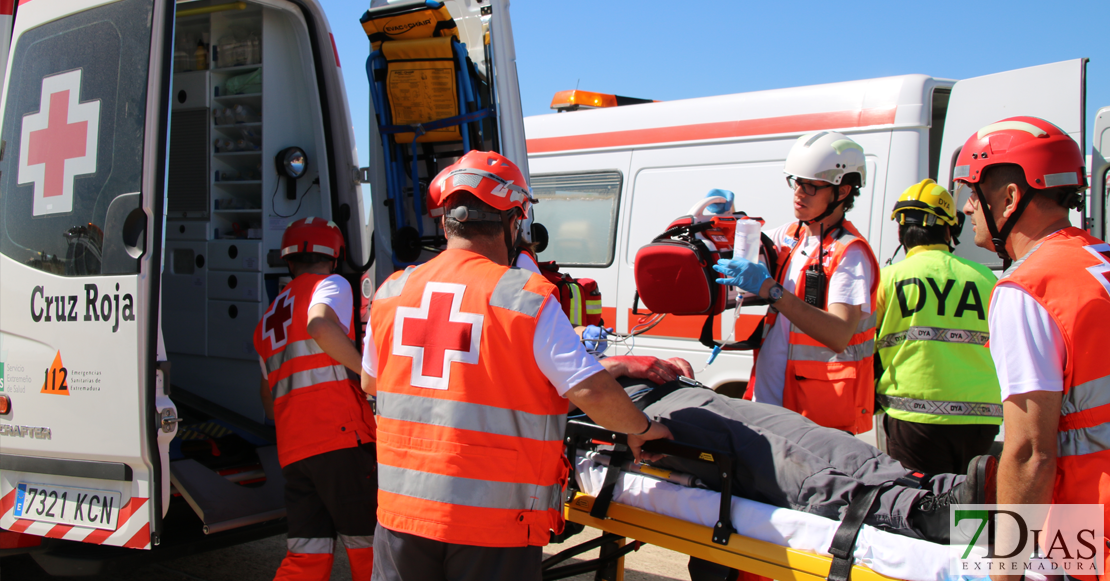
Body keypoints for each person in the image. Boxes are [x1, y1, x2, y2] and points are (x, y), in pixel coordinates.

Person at [360, 150, 672, 581]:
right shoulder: (524, 296)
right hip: (492, 524)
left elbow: (371, 382)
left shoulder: (392, 291)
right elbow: (590, 391)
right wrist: (643, 430)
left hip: (401, 516)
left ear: (446, 219)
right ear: (514, 221)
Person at [953, 116, 1108, 579]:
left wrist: (1005, 570)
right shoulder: (1098, 259)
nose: (965, 208)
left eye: (971, 191)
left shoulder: (1029, 288)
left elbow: (1029, 453)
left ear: (1010, 197)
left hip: (1090, 527)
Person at [579, 375, 996, 545]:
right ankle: (915, 514)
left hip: (673, 390)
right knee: (775, 458)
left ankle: (939, 491)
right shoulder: (526, 310)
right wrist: (637, 422)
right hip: (630, 414)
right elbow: (580, 388)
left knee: (817, 437)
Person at [713, 131, 880, 434]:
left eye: (811, 186)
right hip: (773, 406)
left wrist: (772, 291)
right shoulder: (792, 235)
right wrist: (721, 224)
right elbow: (748, 246)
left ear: (842, 192)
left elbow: (840, 334)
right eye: (796, 182)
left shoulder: (849, 253)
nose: (799, 193)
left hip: (815, 419)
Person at [252, 217, 378, 581]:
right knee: (370, 548)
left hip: (294, 451)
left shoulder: (267, 319)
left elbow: (267, 399)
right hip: (340, 441)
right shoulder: (331, 284)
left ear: (288, 261)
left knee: (306, 556)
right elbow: (319, 325)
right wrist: (371, 379)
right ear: (335, 257)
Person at [874, 179, 1002, 474]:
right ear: (950, 230)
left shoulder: (887, 279)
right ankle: (970, 524)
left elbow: (862, 346)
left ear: (901, 231)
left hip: (914, 419)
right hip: (981, 421)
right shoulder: (987, 280)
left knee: (921, 505)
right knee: (970, 500)